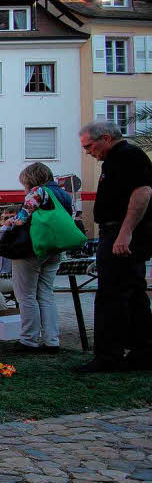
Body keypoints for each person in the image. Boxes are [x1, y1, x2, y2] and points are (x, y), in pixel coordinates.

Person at [76, 122, 152, 372]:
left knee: (113, 294)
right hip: (120, 231)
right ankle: (141, 351)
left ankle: (109, 355)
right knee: (131, 292)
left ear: (106, 138)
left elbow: (142, 192)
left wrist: (125, 232)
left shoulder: (128, 156)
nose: (88, 152)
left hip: (121, 232)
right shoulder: (118, 159)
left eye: (89, 146)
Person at [9, 162, 75, 352]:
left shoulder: (38, 191)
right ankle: (52, 340)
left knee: (26, 295)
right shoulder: (64, 194)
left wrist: (11, 222)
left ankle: (28, 339)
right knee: (46, 294)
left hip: (33, 248)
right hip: (54, 248)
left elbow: (22, 218)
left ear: (30, 179)